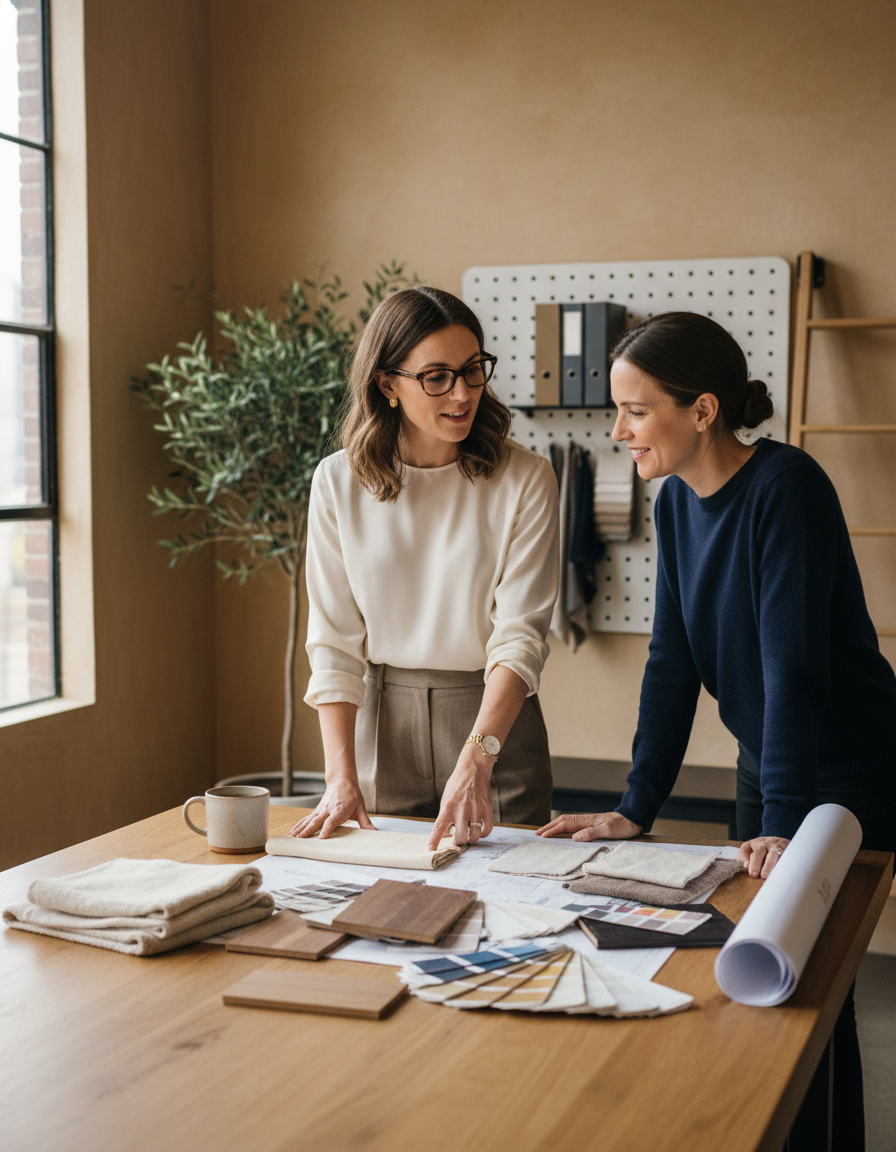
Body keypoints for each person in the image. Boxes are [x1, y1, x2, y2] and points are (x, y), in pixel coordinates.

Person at [538, 310, 896, 1152]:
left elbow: (792, 669)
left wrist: (781, 816)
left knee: (813, 982)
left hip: (844, 770)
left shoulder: (787, 487)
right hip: (769, 765)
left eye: (634, 410)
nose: (618, 430)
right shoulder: (675, 505)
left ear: (702, 411)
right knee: (770, 974)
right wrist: (636, 804)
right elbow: (671, 662)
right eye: (614, 410)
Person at [291, 286, 560, 853]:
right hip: (383, 720)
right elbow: (334, 642)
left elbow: (519, 636)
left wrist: (477, 760)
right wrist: (340, 776)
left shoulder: (527, 477)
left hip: (493, 724)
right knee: (388, 903)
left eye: (472, 370)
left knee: (512, 899)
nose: (462, 393)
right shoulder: (337, 482)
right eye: (436, 376)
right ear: (387, 383)